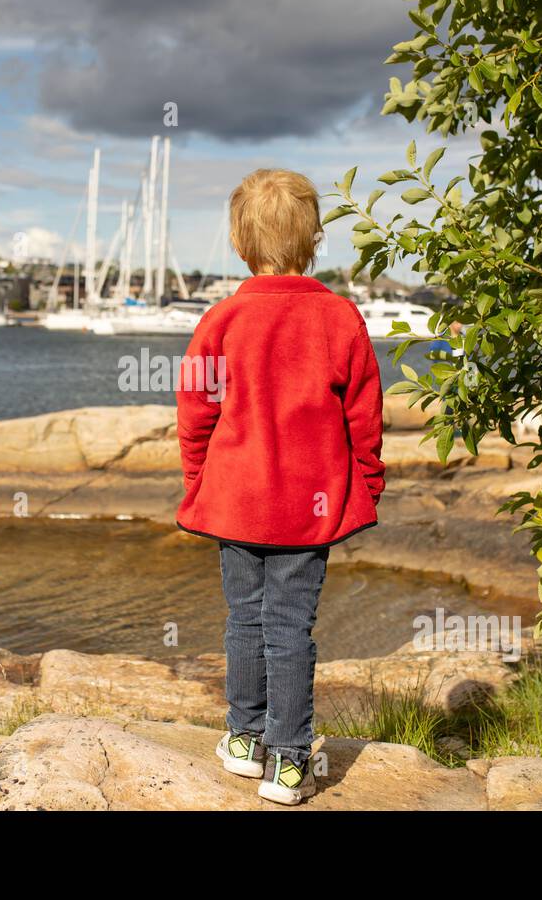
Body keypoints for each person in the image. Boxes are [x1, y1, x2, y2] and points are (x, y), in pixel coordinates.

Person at [175, 169, 385, 805]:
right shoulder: (339, 317)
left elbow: (196, 411)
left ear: (239, 243)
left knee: (244, 618)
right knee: (289, 627)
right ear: (315, 240)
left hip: (237, 501)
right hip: (309, 505)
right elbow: (365, 415)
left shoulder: (223, 318)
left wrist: (197, 480)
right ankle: (289, 762)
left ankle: (244, 738)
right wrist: (367, 485)